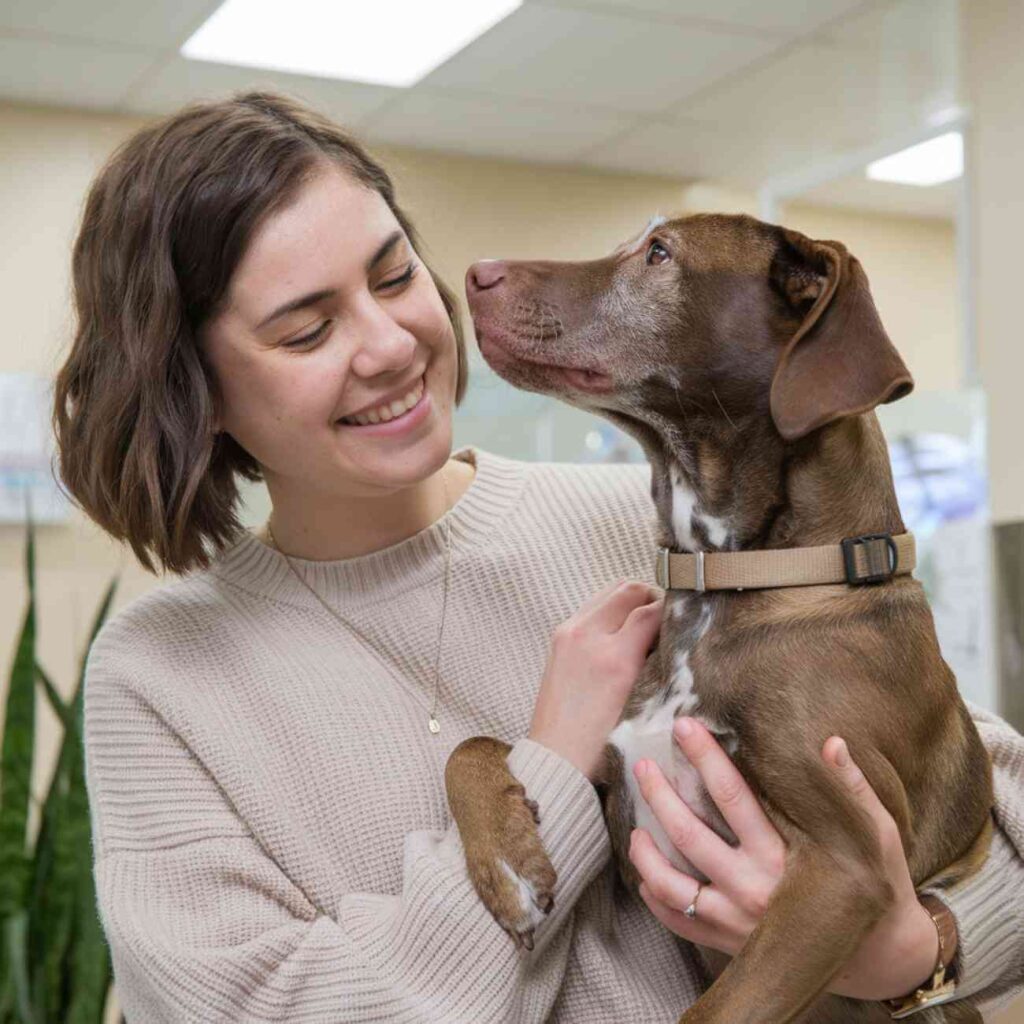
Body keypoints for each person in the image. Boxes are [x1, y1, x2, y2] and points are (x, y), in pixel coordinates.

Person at [53, 91, 1024, 1023]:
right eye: (308, 328)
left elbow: (977, 807)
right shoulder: (160, 674)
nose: (391, 343)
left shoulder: (670, 535)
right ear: (194, 389)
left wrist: (918, 947)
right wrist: (550, 767)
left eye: (395, 277)